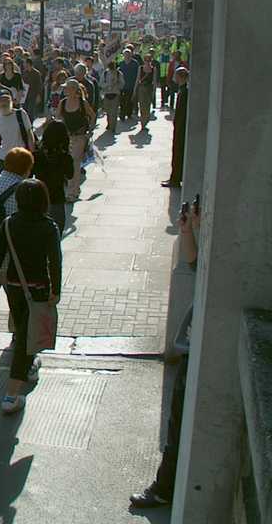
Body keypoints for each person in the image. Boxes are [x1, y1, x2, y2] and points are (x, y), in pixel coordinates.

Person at [130, 200, 199, 509]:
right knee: (178, 418)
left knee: (180, 420)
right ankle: (168, 485)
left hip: (198, 344)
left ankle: (166, 487)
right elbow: (194, 260)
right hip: (193, 344)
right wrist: (188, 230)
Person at [0, 179, 62, 414]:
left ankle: (29, 367)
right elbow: (55, 261)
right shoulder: (49, 227)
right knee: (26, 340)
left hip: (14, 287)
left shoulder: (8, 224)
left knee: (24, 332)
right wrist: (56, 290)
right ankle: (11, 395)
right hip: (38, 289)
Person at [33, 120, 74, 233]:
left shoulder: (37, 155)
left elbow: (30, 174)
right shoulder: (65, 157)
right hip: (57, 197)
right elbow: (70, 175)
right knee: (57, 232)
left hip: (40, 197)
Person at [58, 78, 95, 202]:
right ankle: (75, 188)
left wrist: (90, 131)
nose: (65, 90)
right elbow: (58, 118)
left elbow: (92, 115)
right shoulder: (62, 103)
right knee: (69, 162)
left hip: (80, 136)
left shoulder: (82, 103)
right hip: (67, 137)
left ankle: (71, 193)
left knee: (75, 162)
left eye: (67, 88)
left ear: (74, 90)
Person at [0, 88, 35, 173]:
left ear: (11, 101)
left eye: (7, 99)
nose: (4, 103)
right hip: (3, 158)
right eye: (1, 100)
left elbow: (29, 135)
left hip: (20, 156)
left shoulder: (21, 114)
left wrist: (32, 154)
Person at [162, 67, 190, 188]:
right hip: (179, 126)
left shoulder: (184, 92)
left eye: (175, 75)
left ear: (180, 76)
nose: (174, 77)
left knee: (178, 152)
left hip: (181, 128)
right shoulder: (182, 90)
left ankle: (175, 179)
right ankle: (175, 177)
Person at [101, 61, 125, 134]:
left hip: (115, 94)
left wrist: (117, 84)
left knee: (114, 112)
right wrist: (107, 85)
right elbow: (101, 83)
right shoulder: (105, 73)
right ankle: (109, 123)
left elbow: (122, 84)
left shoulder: (118, 74)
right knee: (108, 112)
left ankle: (113, 127)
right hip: (107, 94)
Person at [134, 55, 157, 131]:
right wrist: (134, 90)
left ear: (151, 61)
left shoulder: (154, 69)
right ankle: (143, 123)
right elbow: (137, 79)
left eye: (149, 60)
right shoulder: (140, 68)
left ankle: (145, 120)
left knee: (147, 106)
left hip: (149, 89)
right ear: (144, 61)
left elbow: (154, 81)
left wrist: (154, 91)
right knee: (142, 105)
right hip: (141, 88)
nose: (147, 62)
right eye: (146, 60)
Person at [118, 49, 140, 121]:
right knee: (122, 101)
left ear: (131, 55)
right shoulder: (121, 63)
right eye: (125, 55)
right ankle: (122, 114)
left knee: (129, 101)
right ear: (123, 55)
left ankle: (129, 113)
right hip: (122, 86)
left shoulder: (135, 63)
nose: (127, 56)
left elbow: (138, 74)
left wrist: (137, 85)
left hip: (131, 85)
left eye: (128, 54)